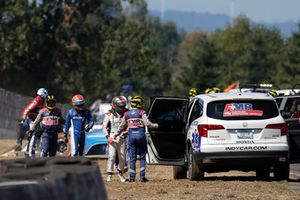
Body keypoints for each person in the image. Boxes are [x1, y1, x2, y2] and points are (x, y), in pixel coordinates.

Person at [114, 96, 159, 182]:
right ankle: (142, 176)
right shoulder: (142, 112)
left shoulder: (127, 114)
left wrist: (116, 134)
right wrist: (155, 126)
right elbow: (147, 123)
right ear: (139, 104)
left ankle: (132, 177)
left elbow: (121, 126)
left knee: (132, 158)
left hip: (131, 138)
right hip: (141, 137)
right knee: (142, 157)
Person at [15, 88, 48, 153]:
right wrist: (23, 118)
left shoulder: (42, 100)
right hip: (30, 118)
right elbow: (28, 109)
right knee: (26, 128)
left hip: (36, 119)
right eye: (45, 94)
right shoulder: (38, 100)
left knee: (38, 131)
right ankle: (19, 142)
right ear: (42, 94)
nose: (46, 96)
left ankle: (30, 147)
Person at [103, 96, 128, 182]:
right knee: (112, 156)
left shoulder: (126, 113)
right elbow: (104, 127)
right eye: (120, 106)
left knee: (122, 157)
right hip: (112, 137)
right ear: (115, 105)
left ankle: (120, 173)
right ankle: (109, 174)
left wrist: (126, 132)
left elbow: (129, 125)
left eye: (123, 106)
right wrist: (108, 137)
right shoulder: (109, 114)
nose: (122, 108)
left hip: (122, 137)